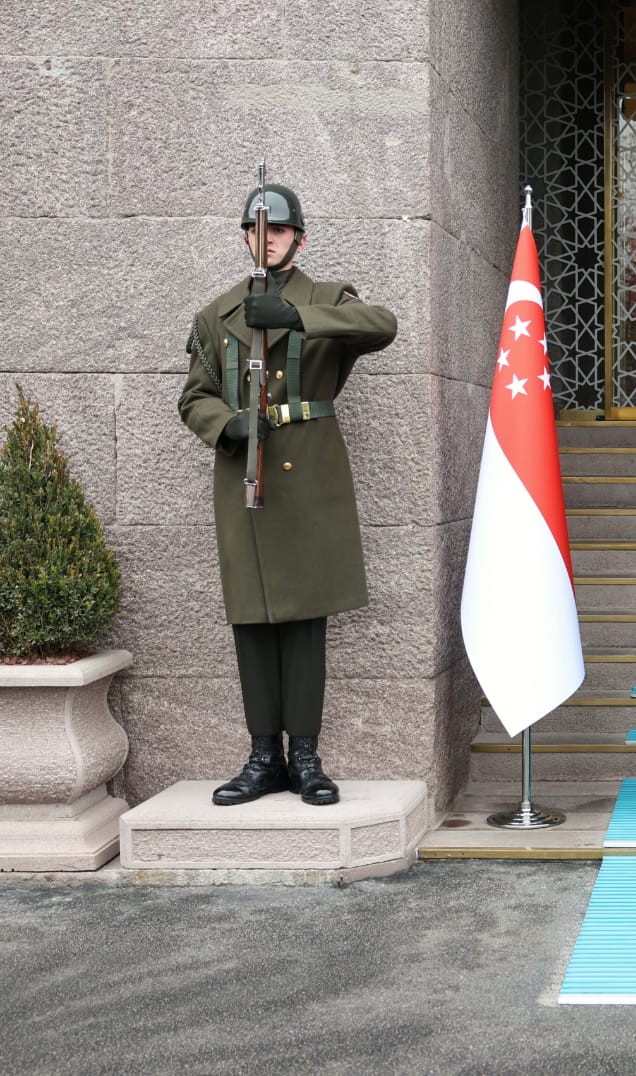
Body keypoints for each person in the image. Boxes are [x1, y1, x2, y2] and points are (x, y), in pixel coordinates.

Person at [179, 181, 397, 807]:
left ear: (297, 238)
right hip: (246, 474)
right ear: (245, 236)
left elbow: (382, 326)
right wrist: (227, 424)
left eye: (278, 231)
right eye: (257, 230)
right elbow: (193, 396)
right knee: (251, 619)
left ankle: (305, 756)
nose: (266, 240)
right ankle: (262, 756)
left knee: (303, 621)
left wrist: (297, 316)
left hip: (308, 478)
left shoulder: (326, 299)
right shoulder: (216, 314)